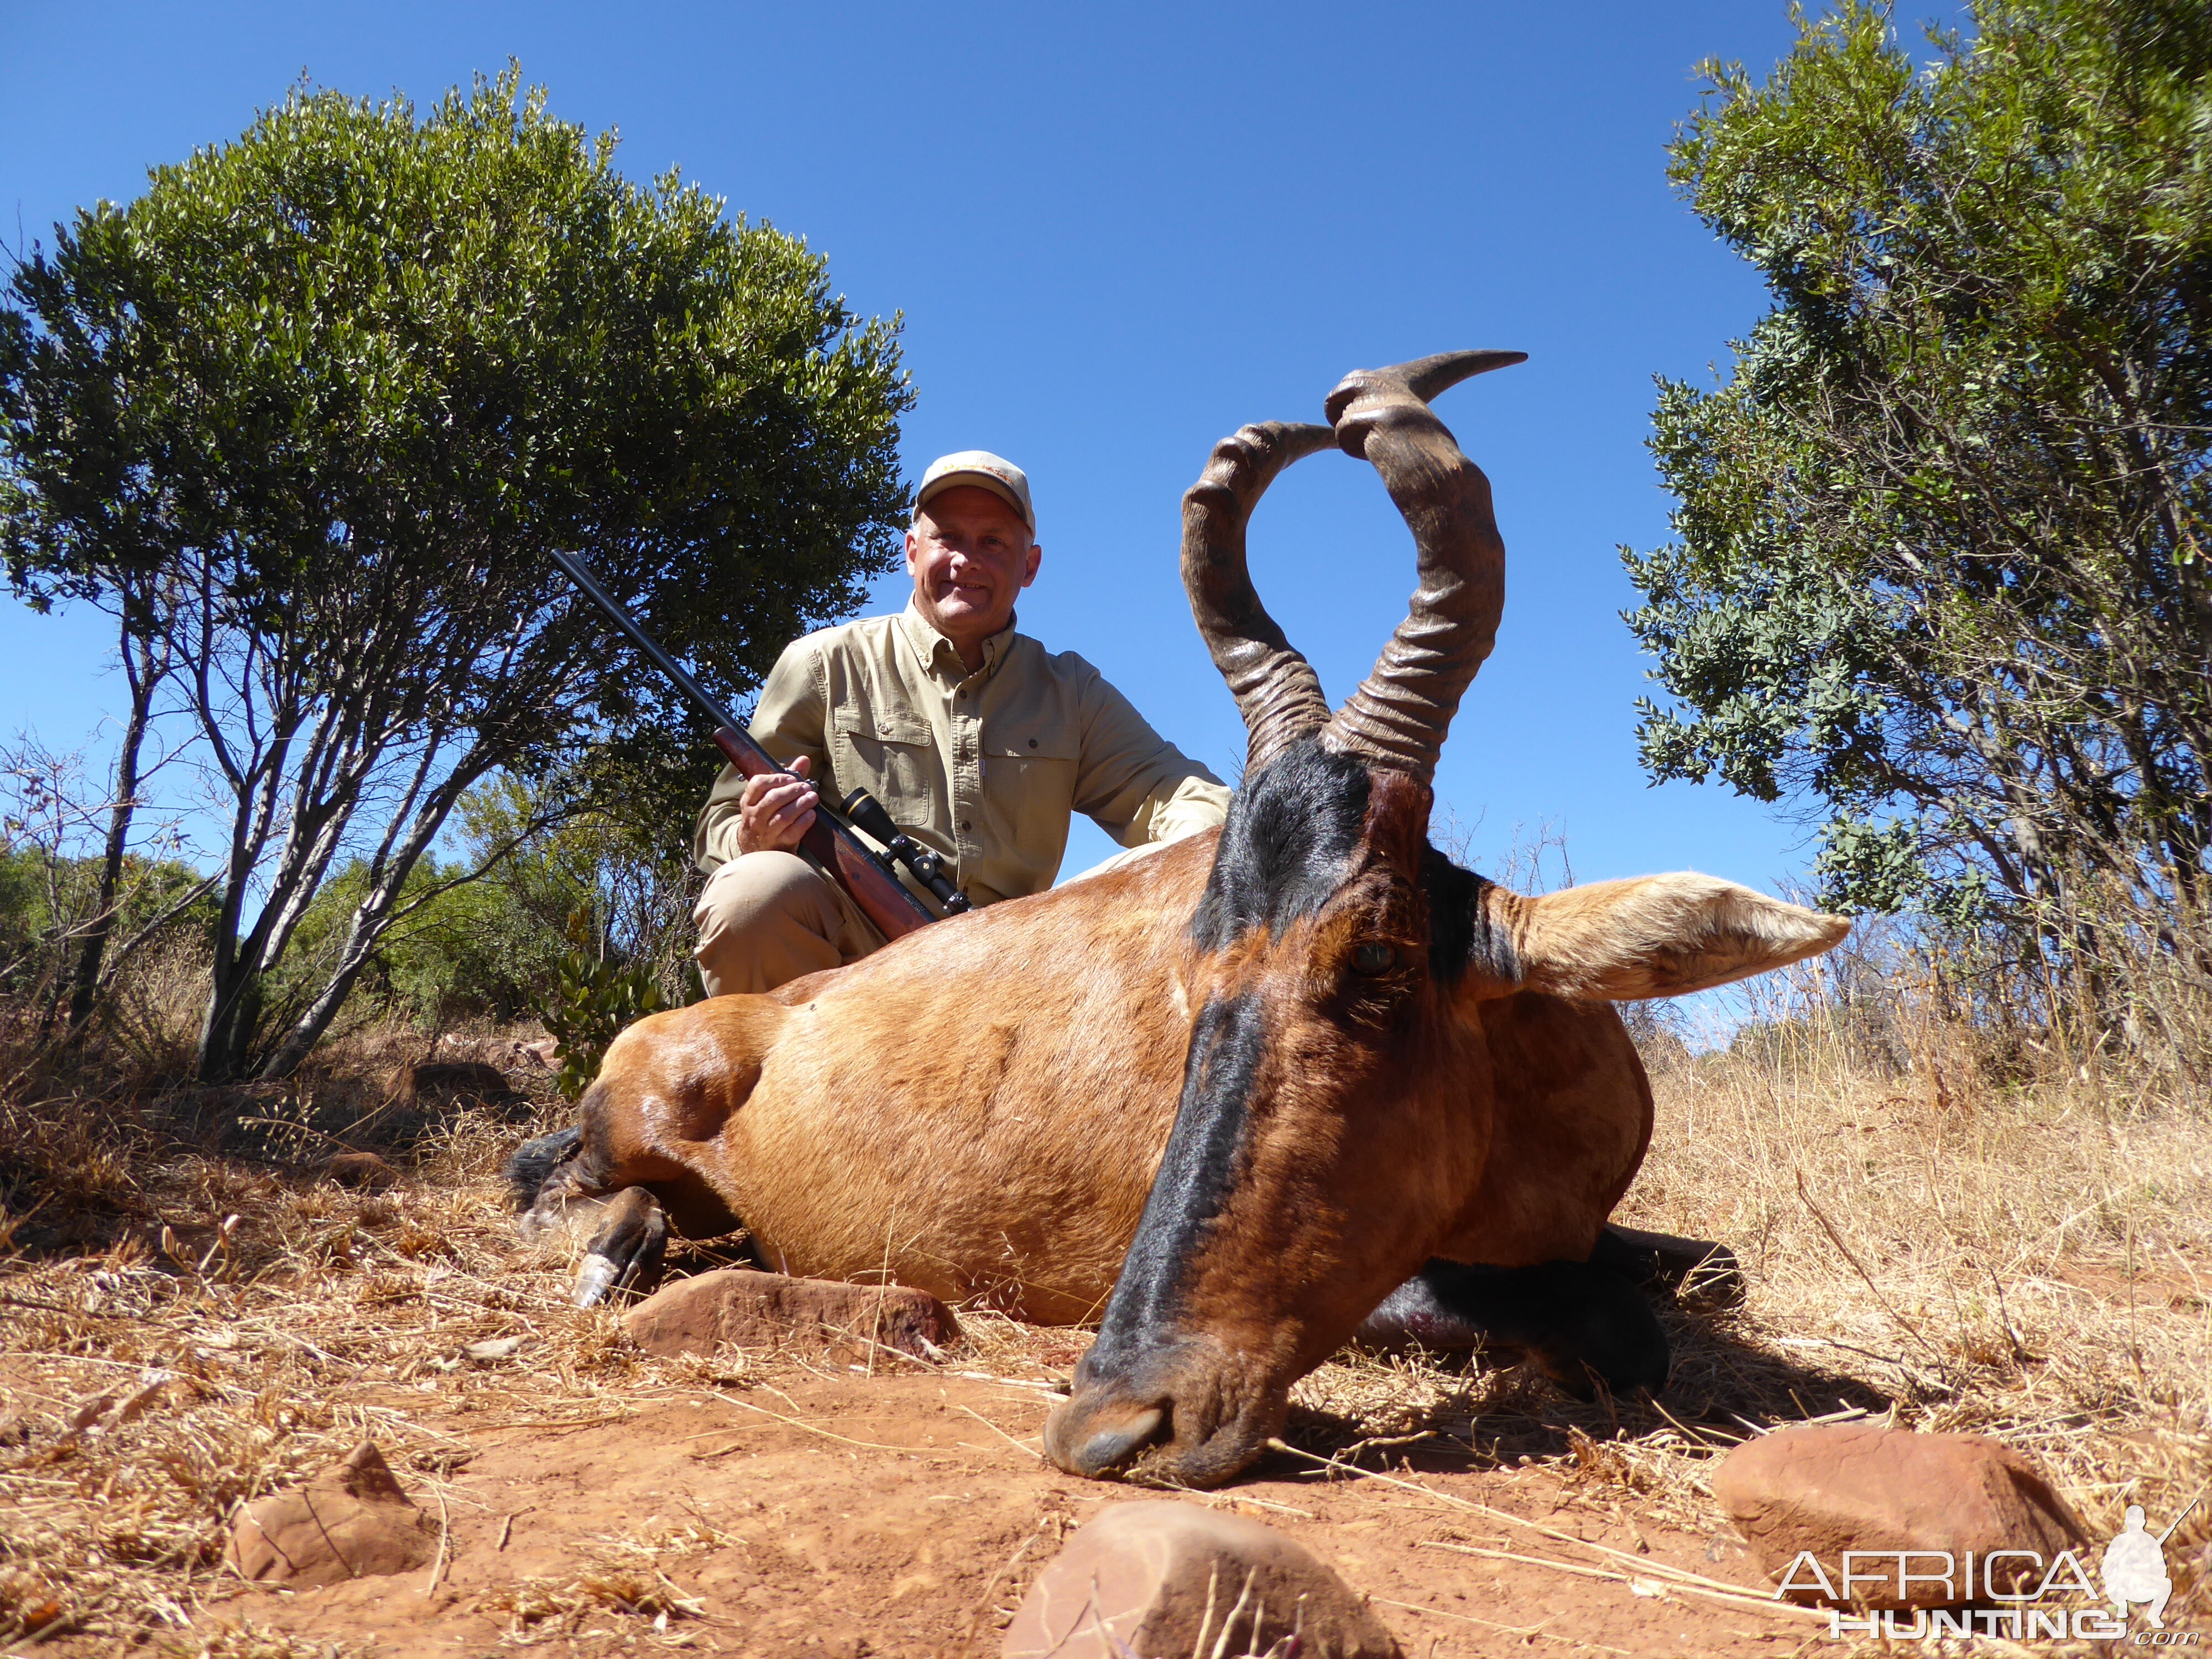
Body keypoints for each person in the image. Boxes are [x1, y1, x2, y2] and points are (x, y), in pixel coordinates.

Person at [691, 450, 1230, 996]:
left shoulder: (1070, 690)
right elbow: (719, 829)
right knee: (754, 892)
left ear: (1029, 566)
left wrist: (1259, 834)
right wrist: (756, 834)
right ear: (910, 552)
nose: (966, 561)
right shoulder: (822, 664)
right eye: (947, 537)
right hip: (853, 960)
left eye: (992, 542)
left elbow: (1174, 794)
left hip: (1015, 966)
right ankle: (780, 1081)